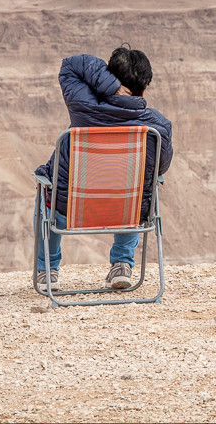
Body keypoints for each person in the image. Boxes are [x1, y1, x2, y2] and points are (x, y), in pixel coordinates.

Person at [34, 45, 173, 291]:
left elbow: (71, 64)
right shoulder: (157, 127)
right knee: (141, 186)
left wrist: (109, 86)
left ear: (110, 77)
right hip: (126, 214)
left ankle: (47, 271)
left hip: (69, 210)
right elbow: (160, 169)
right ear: (145, 87)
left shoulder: (82, 106)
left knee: (46, 190)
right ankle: (122, 264)